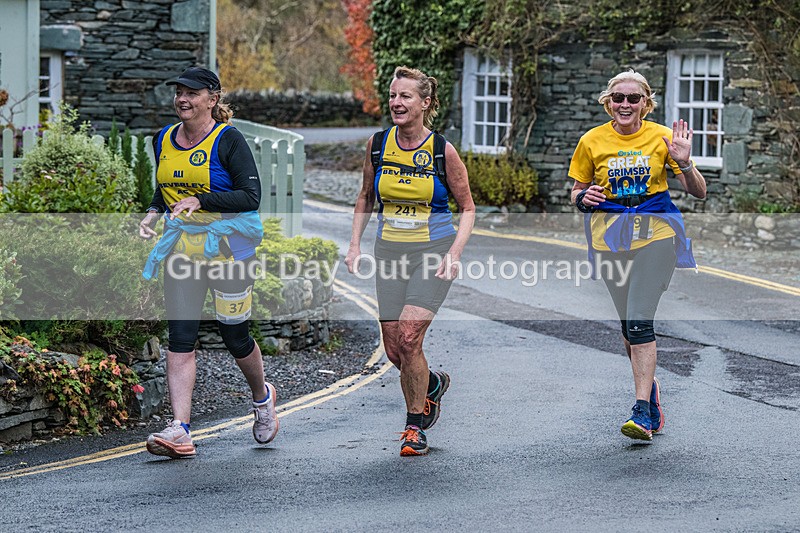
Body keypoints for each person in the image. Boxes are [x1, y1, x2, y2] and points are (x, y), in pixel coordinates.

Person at [138, 66, 278, 458]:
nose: (183, 99)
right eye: (179, 92)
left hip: (229, 250)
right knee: (180, 338)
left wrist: (203, 200)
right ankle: (180, 428)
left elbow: (250, 197)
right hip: (182, 251)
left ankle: (262, 397)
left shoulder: (228, 140)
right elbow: (166, 187)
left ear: (212, 99)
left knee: (235, 336)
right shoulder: (163, 138)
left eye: (192, 93)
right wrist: (153, 210)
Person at [568, 69, 707, 441]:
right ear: (608, 102)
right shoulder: (591, 141)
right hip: (611, 239)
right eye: (618, 98)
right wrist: (583, 199)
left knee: (640, 322)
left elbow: (699, 192)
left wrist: (686, 162)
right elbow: (577, 191)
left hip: (656, 236)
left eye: (633, 98)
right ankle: (652, 392)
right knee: (629, 330)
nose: (625, 104)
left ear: (646, 103)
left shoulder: (663, 137)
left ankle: (642, 411)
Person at [345, 66, 475, 456]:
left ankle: (414, 427)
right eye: (393, 96)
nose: (397, 103)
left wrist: (454, 254)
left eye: (406, 96)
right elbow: (366, 196)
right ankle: (430, 383)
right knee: (394, 351)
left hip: (432, 252)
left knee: (408, 336)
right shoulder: (378, 144)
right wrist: (354, 245)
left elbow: (468, 208)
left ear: (425, 103)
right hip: (389, 252)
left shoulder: (441, 150)